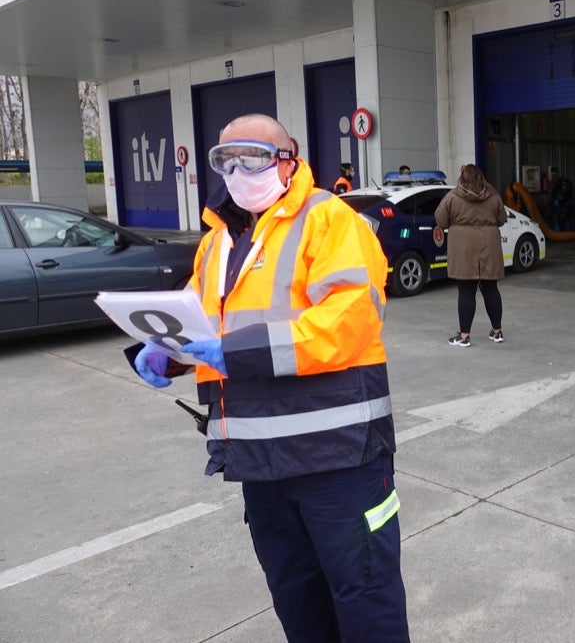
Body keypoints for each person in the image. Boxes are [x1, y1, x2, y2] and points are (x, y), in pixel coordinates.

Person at [131, 113, 409, 643]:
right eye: (224, 159)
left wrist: (234, 352)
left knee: (365, 600)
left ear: (288, 158)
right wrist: (168, 351)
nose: (237, 170)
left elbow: (348, 321)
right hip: (259, 464)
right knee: (297, 601)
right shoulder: (217, 242)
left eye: (252, 156)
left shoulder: (329, 220)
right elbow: (204, 323)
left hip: (339, 458)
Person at [434, 163, 507, 346]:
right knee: (491, 288)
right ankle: (497, 332)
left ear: (462, 178)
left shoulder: (452, 196)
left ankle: (464, 336)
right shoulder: (493, 196)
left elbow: (440, 220)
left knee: (466, 290)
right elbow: (502, 219)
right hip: (489, 246)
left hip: (463, 247)